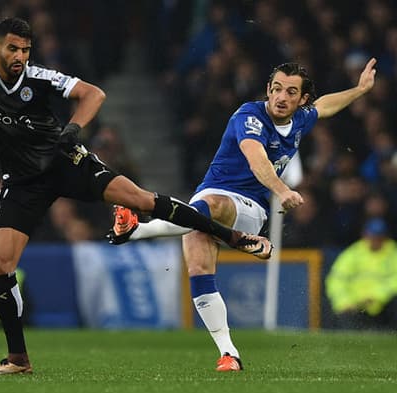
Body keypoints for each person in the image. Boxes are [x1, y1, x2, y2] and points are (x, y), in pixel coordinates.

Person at [0, 17, 272, 376]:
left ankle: (234, 236)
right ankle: (18, 359)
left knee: (141, 199)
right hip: (23, 181)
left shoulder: (38, 76)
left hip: (64, 161)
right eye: (13, 49)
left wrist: (73, 128)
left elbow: (93, 94)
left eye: (26, 50)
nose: (20, 57)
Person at [110, 58, 377, 371]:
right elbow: (256, 158)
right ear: (268, 90)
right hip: (206, 199)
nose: (281, 97)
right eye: (276, 89)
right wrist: (283, 190)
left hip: (248, 208)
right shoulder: (249, 115)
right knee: (198, 266)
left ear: (302, 100)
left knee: (210, 208)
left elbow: (326, 106)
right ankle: (229, 354)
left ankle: (136, 230)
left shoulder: (301, 119)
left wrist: (359, 90)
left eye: (291, 92)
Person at [325, 218, 397, 330]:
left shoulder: (393, 253)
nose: (375, 240)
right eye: (373, 236)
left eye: (379, 236)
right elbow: (336, 281)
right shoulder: (353, 254)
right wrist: (344, 302)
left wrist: (376, 296)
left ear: (385, 237)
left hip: (382, 304)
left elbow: (394, 281)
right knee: (342, 316)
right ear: (365, 235)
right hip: (355, 305)